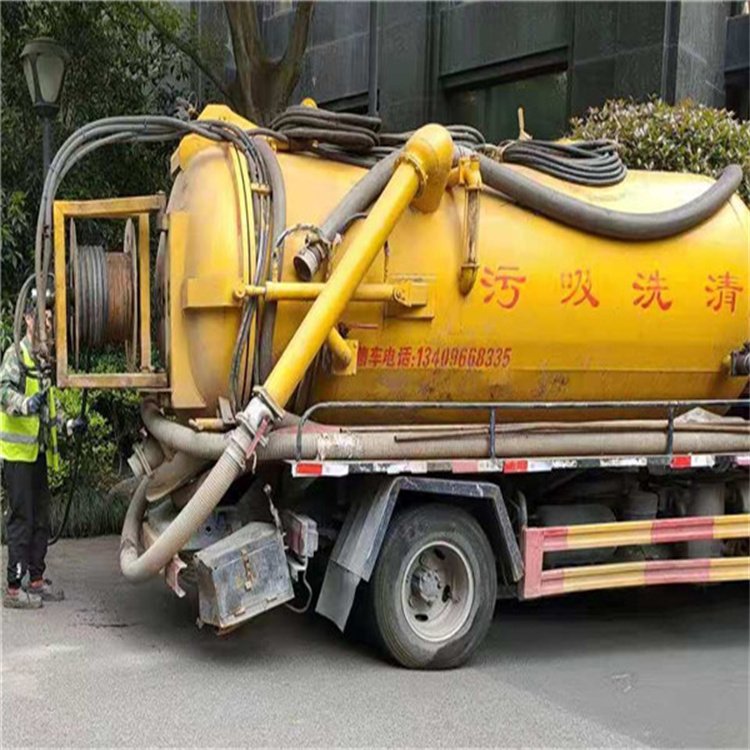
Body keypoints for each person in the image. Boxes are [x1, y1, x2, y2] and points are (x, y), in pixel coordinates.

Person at [1, 301, 86, 609]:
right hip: (17, 454)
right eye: (43, 319)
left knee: (40, 517)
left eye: (50, 320)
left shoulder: (43, 361)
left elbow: (49, 408)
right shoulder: (16, 356)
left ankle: (36, 580)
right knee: (22, 518)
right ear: (27, 320)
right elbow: (3, 393)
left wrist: (69, 425)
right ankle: (14, 588)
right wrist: (25, 404)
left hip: (37, 454)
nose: (48, 325)